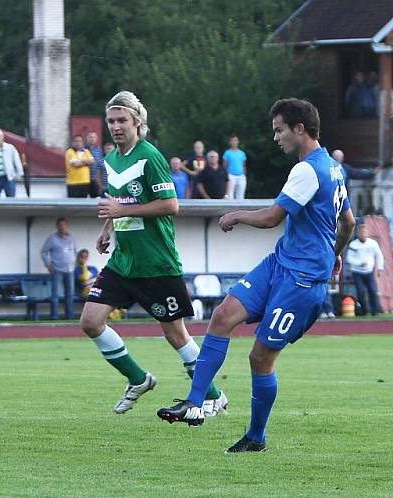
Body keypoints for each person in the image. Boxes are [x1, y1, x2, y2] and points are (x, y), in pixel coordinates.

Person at [158, 98, 356, 453]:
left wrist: (236, 214)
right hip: (280, 264)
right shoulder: (333, 168)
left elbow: (271, 218)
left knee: (260, 358)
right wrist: (336, 254)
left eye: (280, 130)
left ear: (300, 129)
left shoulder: (309, 169)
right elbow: (348, 222)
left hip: (302, 281)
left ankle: (256, 437)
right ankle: (194, 404)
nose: (276, 137)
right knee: (222, 316)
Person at [84, 90, 226, 417]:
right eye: (111, 121)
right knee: (90, 321)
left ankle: (214, 394)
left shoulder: (150, 156)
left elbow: (171, 205)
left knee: (174, 333)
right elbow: (119, 200)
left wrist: (120, 209)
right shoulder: (112, 159)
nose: (116, 126)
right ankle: (138, 379)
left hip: (156, 262)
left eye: (122, 120)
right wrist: (108, 228)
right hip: (124, 261)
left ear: (137, 122)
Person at [42, 218, 77, 320]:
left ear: (67, 226)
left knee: (70, 294)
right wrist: (48, 265)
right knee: (55, 294)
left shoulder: (71, 238)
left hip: (70, 270)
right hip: (57, 270)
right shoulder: (52, 238)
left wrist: (73, 263)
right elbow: (44, 252)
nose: (62, 227)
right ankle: (54, 316)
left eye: (64, 225)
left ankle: (69, 316)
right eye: (60, 225)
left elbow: (74, 251)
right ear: (57, 227)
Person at [346, 223, 385, 316]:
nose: (363, 234)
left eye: (364, 232)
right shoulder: (353, 244)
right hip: (357, 272)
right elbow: (349, 259)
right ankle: (364, 311)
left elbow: (379, 256)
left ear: (367, 233)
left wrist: (380, 268)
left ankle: (374, 311)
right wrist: (359, 263)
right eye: (361, 232)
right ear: (357, 233)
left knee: (372, 290)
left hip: (369, 271)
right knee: (360, 292)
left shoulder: (373, 243)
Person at [223, 134, 248, 200]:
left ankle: (240, 209)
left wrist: (244, 175)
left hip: (241, 176)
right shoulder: (227, 153)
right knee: (230, 195)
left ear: (238, 141)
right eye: (232, 140)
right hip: (231, 176)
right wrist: (226, 176)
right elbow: (224, 166)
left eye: (235, 140)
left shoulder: (242, 153)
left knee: (241, 195)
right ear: (230, 142)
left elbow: (244, 165)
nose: (234, 142)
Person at [85, 131, 105, 196]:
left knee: (95, 198)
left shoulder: (99, 150)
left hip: (95, 179)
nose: (92, 139)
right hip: (85, 179)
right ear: (87, 138)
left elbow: (100, 165)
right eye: (90, 137)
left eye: (94, 137)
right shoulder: (82, 150)